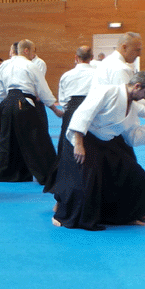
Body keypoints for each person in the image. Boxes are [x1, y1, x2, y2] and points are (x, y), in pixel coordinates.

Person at [51, 71, 145, 230]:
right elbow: (83, 114)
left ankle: (125, 215)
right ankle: (63, 215)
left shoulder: (132, 104)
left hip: (105, 142)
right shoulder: (107, 92)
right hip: (83, 138)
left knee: (132, 171)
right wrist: (78, 144)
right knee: (87, 179)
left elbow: (138, 126)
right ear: (137, 86)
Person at [0, 39, 62, 184]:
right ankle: (50, 175)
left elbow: (0, 88)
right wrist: (54, 108)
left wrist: (2, 105)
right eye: (33, 51)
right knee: (37, 138)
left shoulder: (5, 65)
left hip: (7, 102)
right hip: (24, 102)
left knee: (8, 140)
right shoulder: (30, 65)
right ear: (26, 51)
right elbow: (42, 89)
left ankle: (8, 174)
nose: (33, 55)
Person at [43, 46, 96, 192]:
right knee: (92, 145)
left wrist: (69, 111)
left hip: (71, 109)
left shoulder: (67, 75)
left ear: (76, 58)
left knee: (67, 147)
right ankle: (91, 181)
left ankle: (63, 184)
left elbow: (63, 99)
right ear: (92, 58)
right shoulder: (98, 74)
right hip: (91, 109)